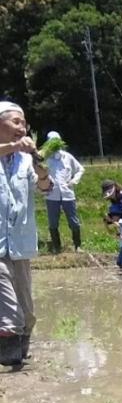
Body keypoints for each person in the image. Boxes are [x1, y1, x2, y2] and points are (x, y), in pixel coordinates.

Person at [0, 102, 53, 369]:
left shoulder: (24, 160)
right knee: (9, 308)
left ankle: (19, 350)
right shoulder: (10, 151)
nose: (22, 128)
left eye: (24, 123)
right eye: (15, 122)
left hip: (20, 241)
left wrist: (40, 166)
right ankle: (8, 350)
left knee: (27, 312)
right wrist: (13, 147)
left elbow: (44, 187)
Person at [42, 131, 84, 253]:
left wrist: (74, 180)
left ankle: (77, 245)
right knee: (53, 222)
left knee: (73, 221)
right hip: (51, 195)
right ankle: (56, 247)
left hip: (68, 194)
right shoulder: (44, 158)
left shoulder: (67, 157)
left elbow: (80, 169)